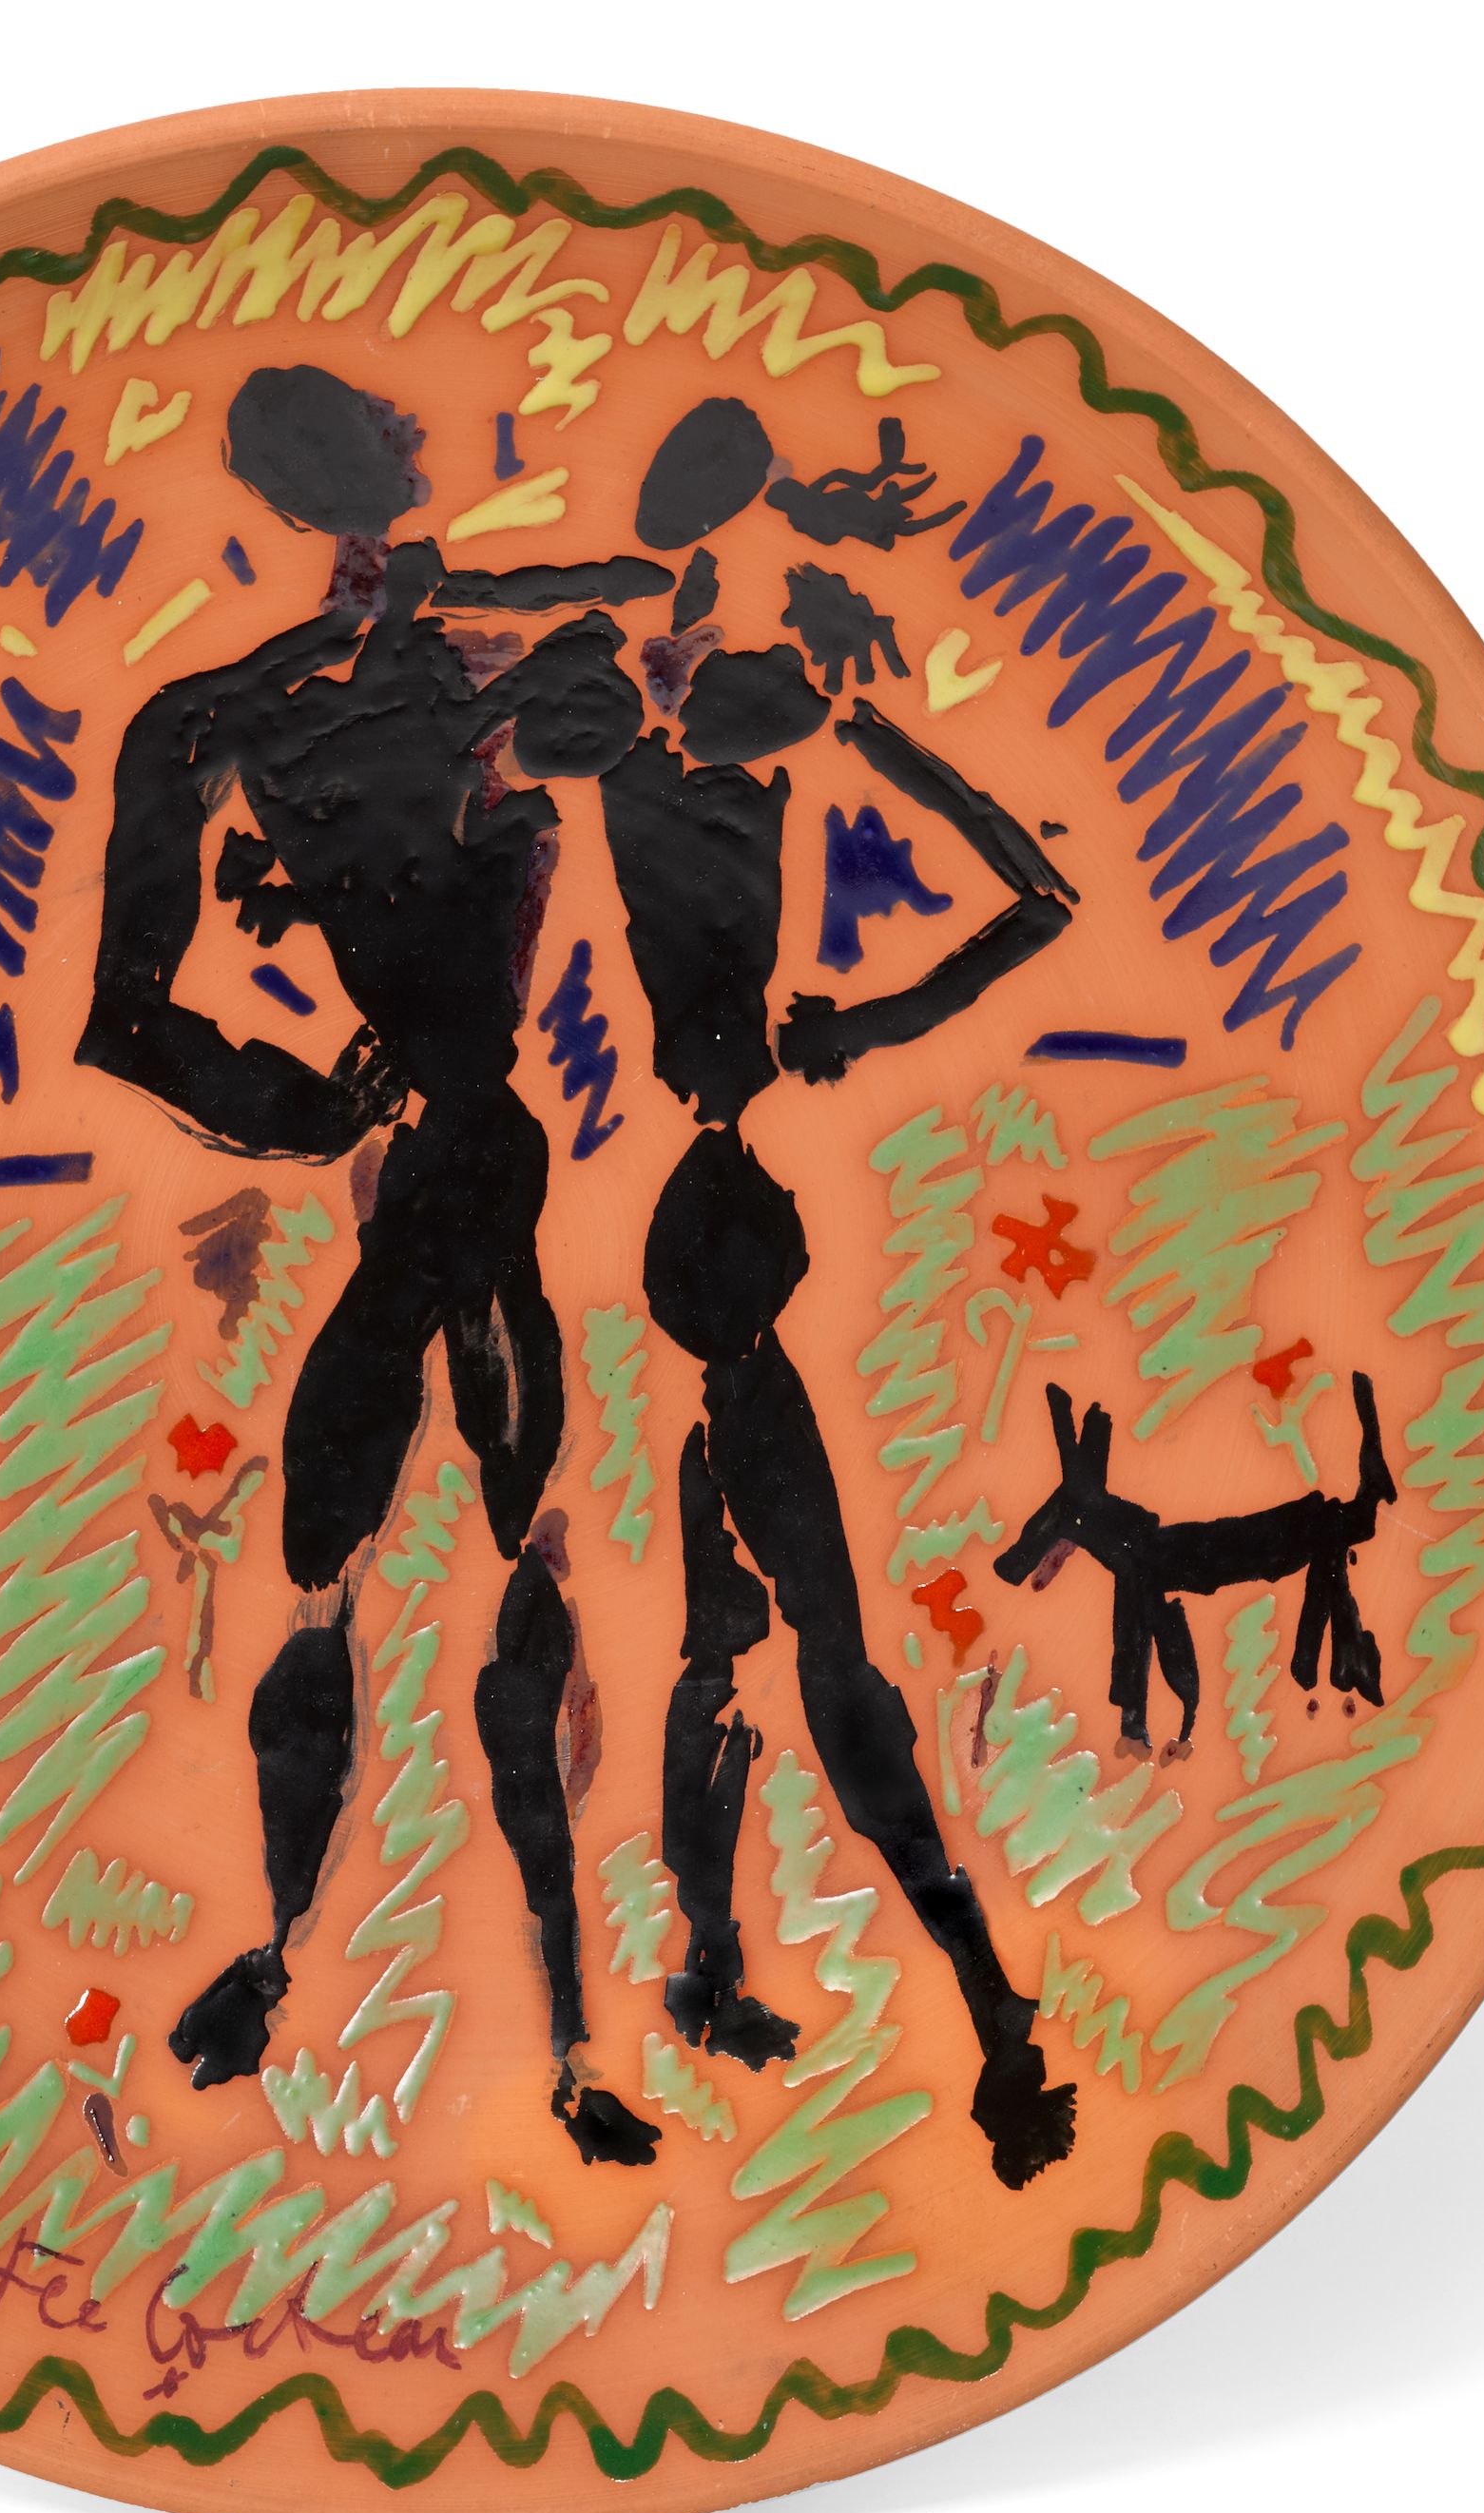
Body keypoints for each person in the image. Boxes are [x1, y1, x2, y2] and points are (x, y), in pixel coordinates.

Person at [80, 365, 665, 2164]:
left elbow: (127, 1019)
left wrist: (311, 1102)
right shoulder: (342, 692)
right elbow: (129, 1021)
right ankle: (533, 2028)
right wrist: (312, 1106)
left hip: (440, 1152)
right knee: (440, 1546)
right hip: (442, 1151)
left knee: (392, 1554)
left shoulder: (271, 704)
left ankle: (461, 2004)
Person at [588, 408, 1083, 2185]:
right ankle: (773, 1973)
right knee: (752, 1656)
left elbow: (1041, 900)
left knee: (787, 1658)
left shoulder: (745, 996)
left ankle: (942, 1987)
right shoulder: (633, 750)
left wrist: (862, 739)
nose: (693, 649)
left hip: (724, 1290)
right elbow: (1033, 903)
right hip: (713, 1282)